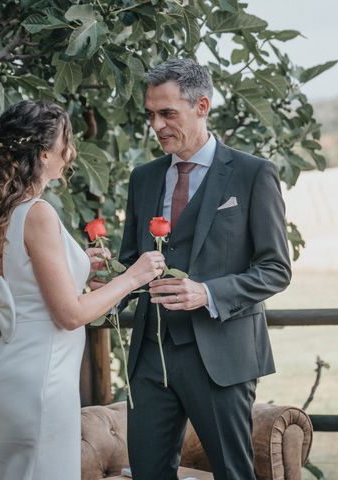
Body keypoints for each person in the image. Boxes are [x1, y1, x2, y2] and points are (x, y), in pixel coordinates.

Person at [0, 100, 165, 480]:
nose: (69, 151)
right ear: (44, 153)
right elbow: (70, 314)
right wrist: (134, 276)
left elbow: (4, 291)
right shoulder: (38, 213)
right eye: (64, 142)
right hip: (41, 377)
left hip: (3, 371)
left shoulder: (3, 212)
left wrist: (78, 264)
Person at [118, 59, 292, 479]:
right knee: (147, 473)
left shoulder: (253, 174)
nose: (156, 125)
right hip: (150, 355)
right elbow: (131, 260)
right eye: (151, 114)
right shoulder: (143, 178)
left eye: (167, 113)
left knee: (233, 472)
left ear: (202, 105)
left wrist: (207, 294)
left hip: (221, 354)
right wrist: (108, 280)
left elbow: (275, 269)